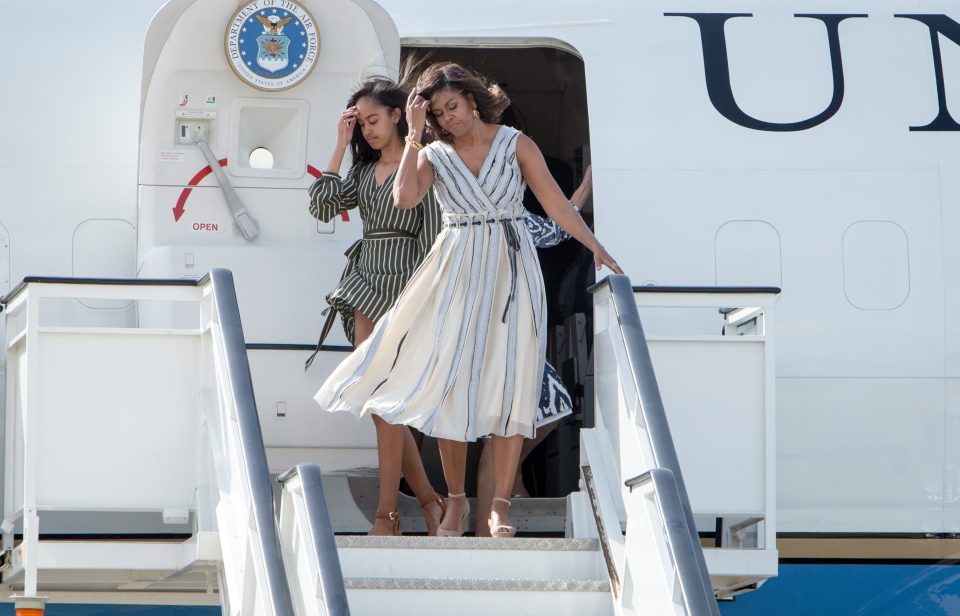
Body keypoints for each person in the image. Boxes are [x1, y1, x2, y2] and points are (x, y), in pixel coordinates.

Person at [314, 62, 620, 538]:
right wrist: (414, 135)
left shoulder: (517, 143)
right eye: (438, 112)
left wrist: (595, 246)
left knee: (513, 379)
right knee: (451, 382)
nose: (448, 117)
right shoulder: (433, 152)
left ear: (472, 100)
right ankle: (455, 503)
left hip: (512, 268)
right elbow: (404, 199)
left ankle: (499, 506)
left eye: (452, 107)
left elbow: (556, 205)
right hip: (455, 266)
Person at [306, 77, 446, 536]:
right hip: (366, 282)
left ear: (396, 116)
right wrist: (340, 143)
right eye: (360, 122)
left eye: (372, 120)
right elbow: (322, 206)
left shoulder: (424, 162)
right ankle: (415, 505)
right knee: (377, 400)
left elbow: (432, 237)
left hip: (407, 284)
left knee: (388, 403)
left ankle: (400, 511)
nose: (366, 129)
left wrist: (426, 297)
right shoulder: (364, 173)